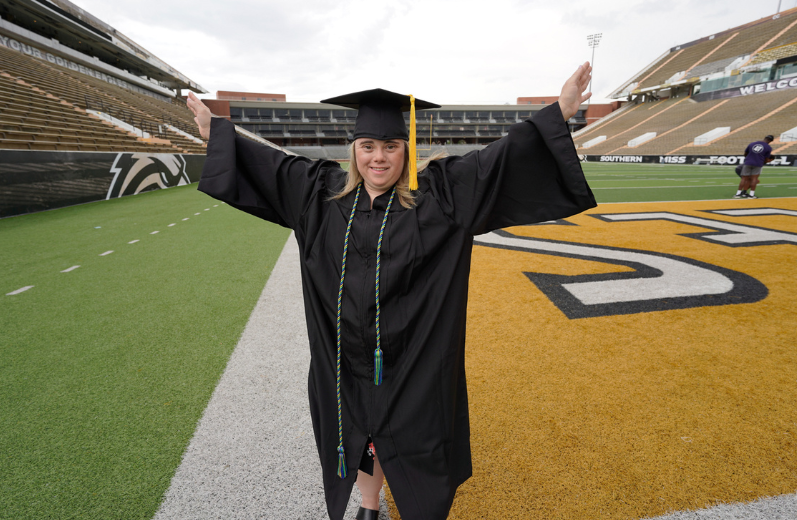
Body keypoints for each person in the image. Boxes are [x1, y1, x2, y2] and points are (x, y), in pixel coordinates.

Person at [186, 63, 596, 520]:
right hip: (345, 358)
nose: (378, 157)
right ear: (353, 150)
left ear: (406, 149)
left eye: (390, 146)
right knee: (357, 436)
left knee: (416, 443)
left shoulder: (443, 196)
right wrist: (217, 134)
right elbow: (271, 167)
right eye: (367, 146)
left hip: (416, 360)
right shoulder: (319, 196)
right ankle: (368, 505)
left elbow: (498, 160)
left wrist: (559, 111)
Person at [734, 135, 774, 199]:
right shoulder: (768, 147)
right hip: (758, 163)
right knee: (754, 179)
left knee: (744, 178)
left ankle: (738, 194)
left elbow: (745, 153)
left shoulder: (752, 143)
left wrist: (748, 159)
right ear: (770, 141)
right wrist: (763, 161)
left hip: (748, 162)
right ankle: (751, 195)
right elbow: (766, 158)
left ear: (765, 138)